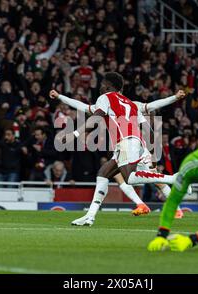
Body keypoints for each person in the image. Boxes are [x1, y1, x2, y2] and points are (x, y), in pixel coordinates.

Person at [50, 72, 177, 226]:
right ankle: (90, 216)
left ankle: (173, 178)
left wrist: (74, 134)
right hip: (132, 142)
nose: (100, 86)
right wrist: (60, 97)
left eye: (103, 83)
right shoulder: (130, 103)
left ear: (109, 86)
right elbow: (147, 129)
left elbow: (95, 118)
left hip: (126, 141)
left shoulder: (105, 97)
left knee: (129, 178)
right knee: (103, 173)